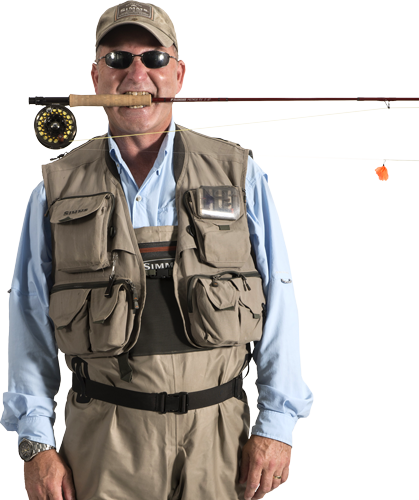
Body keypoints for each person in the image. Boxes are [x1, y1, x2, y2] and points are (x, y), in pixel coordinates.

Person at [1, 2, 313, 499]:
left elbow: (280, 296)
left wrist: (277, 424)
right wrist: (36, 444)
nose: (136, 73)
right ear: (96, 76)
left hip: (220, 441)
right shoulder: (55, 190)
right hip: (103, 443)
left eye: (155, 58)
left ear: (179, 74)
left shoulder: (240, 175)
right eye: (118, 59)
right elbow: (28, 314)